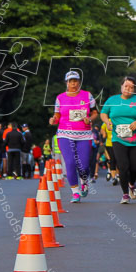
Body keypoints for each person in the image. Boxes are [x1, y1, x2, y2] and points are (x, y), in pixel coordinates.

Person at [99, 76, 136, 204]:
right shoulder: (112, 100)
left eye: (131, 87)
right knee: (123, 166)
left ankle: (132, 184)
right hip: (118, 138)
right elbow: (103, 113)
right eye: (126, 86)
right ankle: (124, 194)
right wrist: (107, 122)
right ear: (121, 87)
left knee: (135, 167)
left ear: (134, 89)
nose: (128, 89)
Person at [48, 70, 98, 202]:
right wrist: (53, 119)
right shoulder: (60, 98)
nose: (73, 83)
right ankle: (75, 192)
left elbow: (94, 112)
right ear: (66, 83)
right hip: (64, 134)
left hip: (84, 135)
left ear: (79, 82)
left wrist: (90, 119)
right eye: (71, 81)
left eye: (75, 81)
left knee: (84, 166)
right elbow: (57, 115)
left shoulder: (87, 95)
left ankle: (84, 181)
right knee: (70, 163)